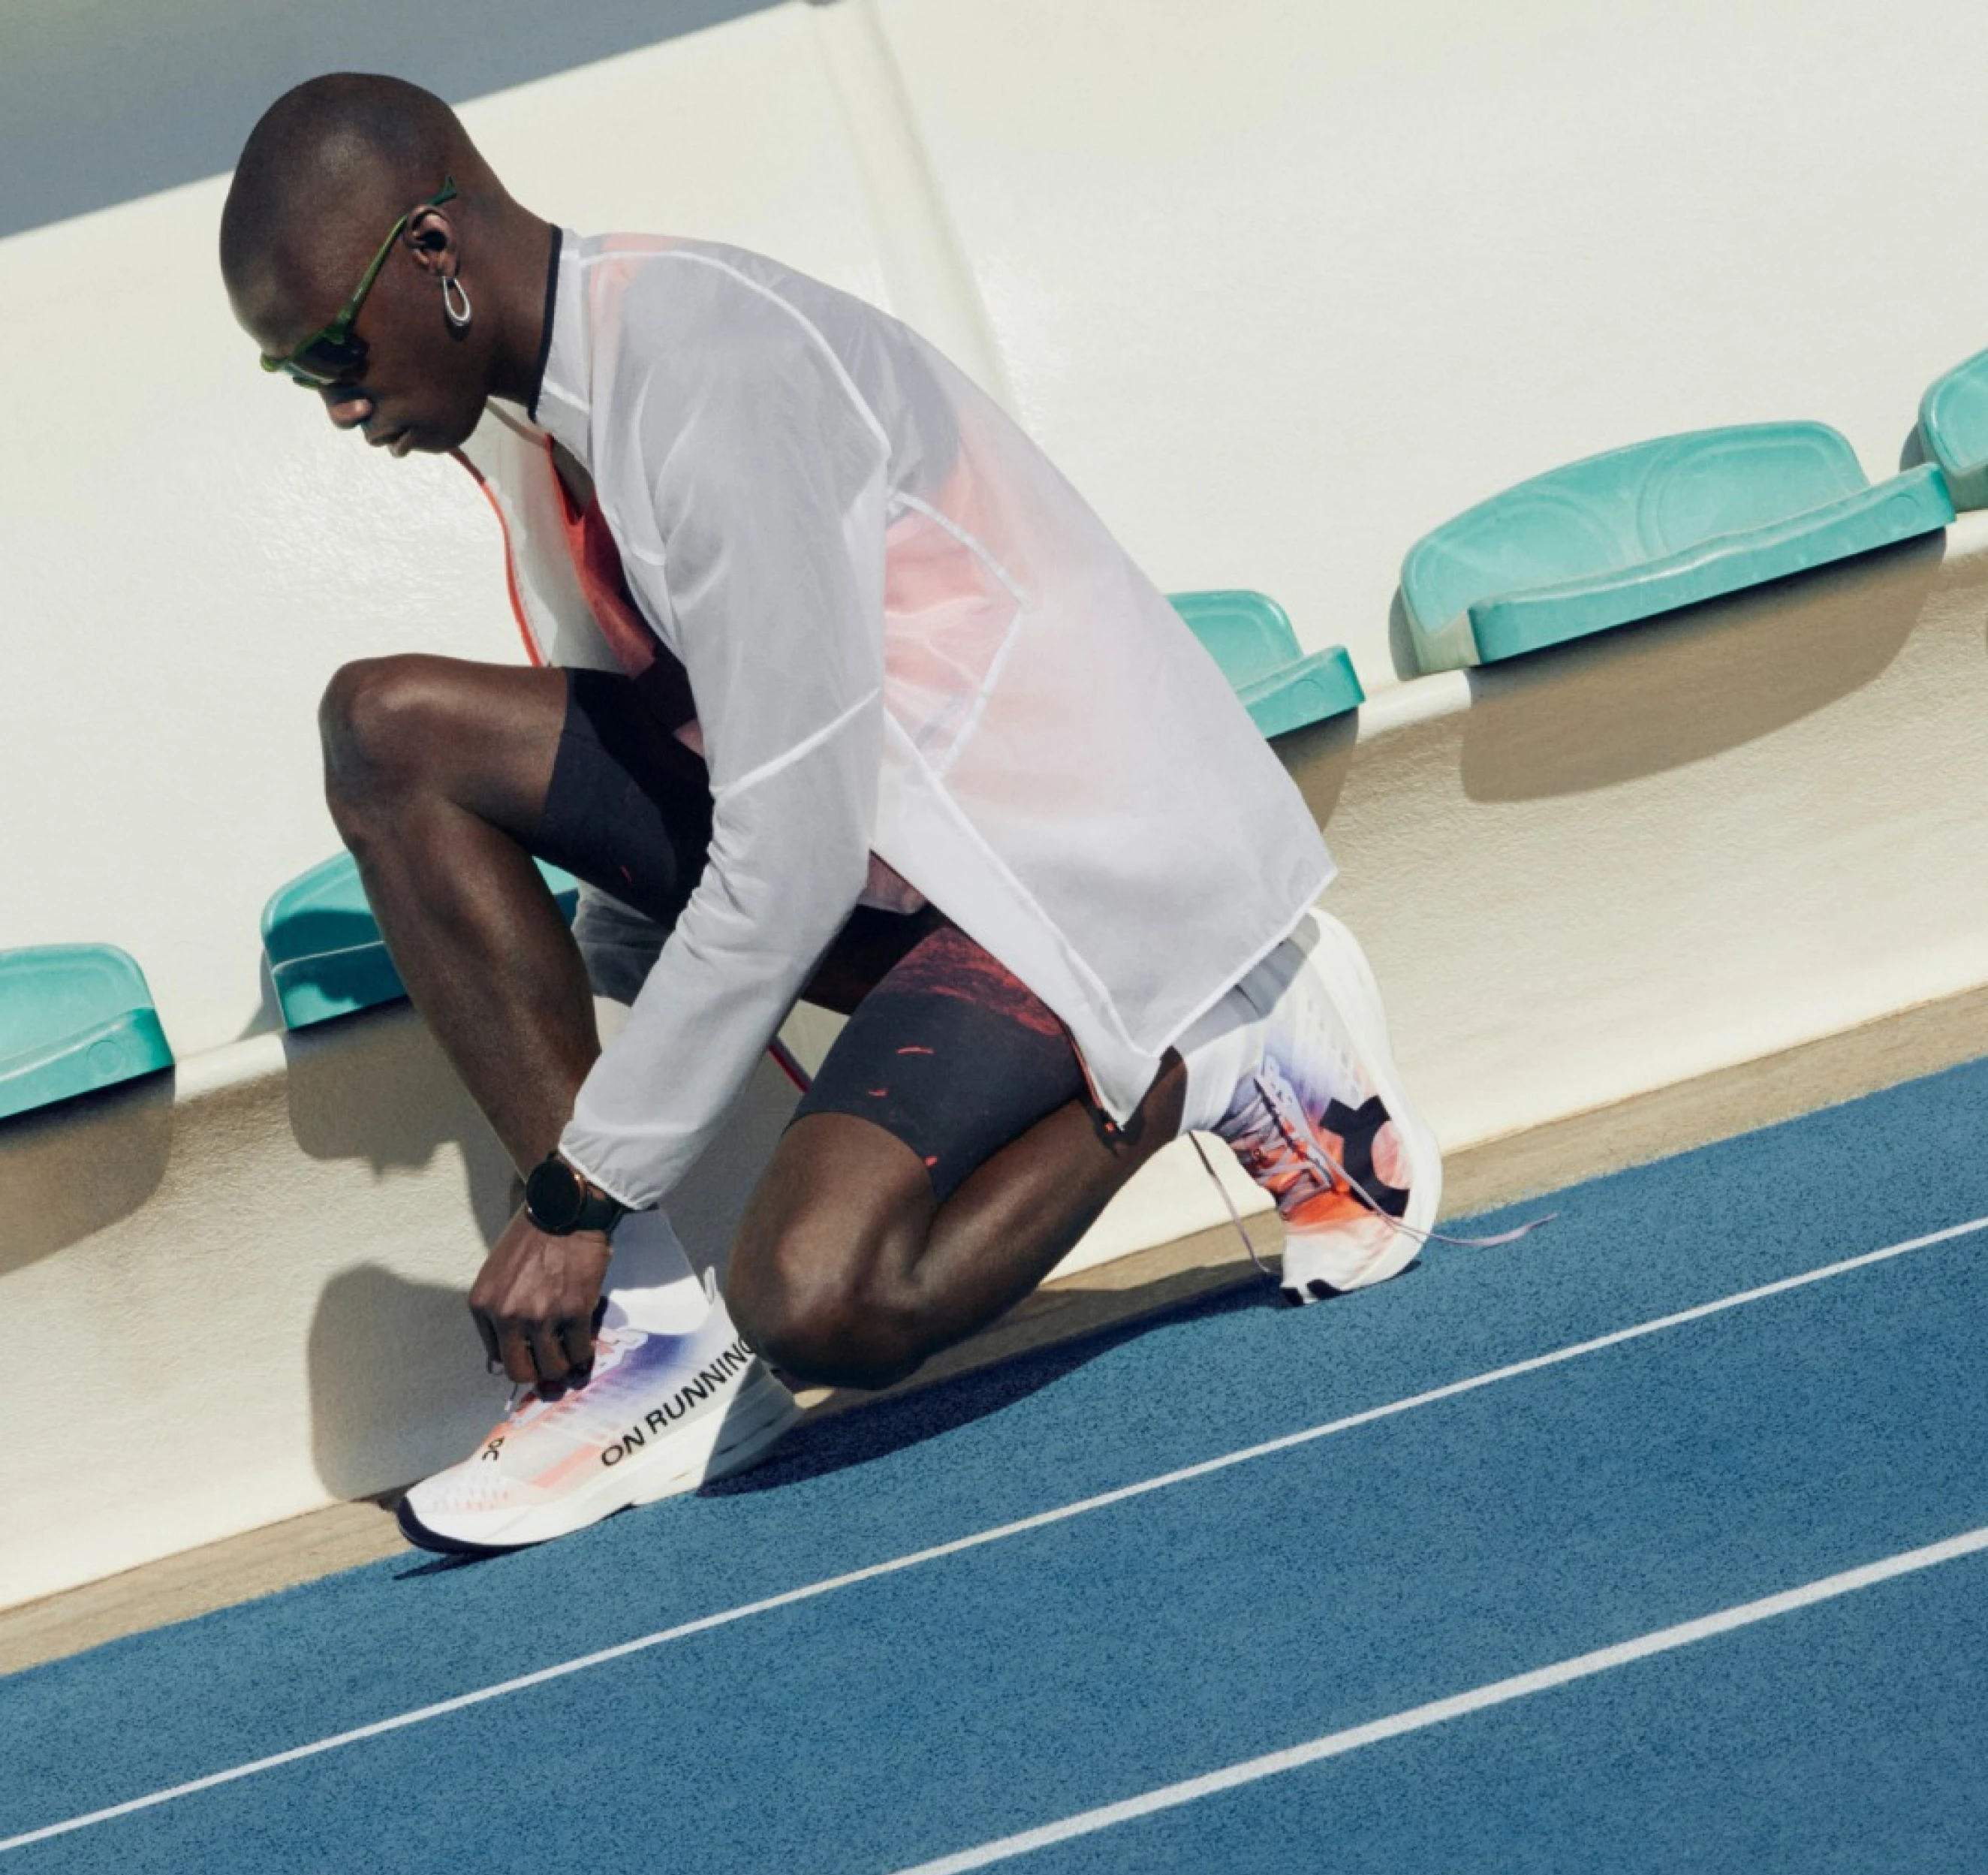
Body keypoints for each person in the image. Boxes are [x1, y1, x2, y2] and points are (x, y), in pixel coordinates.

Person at [218, 73, 1441, 1556]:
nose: (338, 403)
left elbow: (786, 854)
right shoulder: (537, 419)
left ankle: (1211, 1040)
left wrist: (579, 1192)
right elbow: (673, 747)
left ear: (433, 250)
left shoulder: (704, 369)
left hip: (1055, 866)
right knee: (388, 732)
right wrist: (604, 1042)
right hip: (898, 868)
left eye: (334, 348)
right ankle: (647, 1355)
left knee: (821, 1301)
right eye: (295, 374)